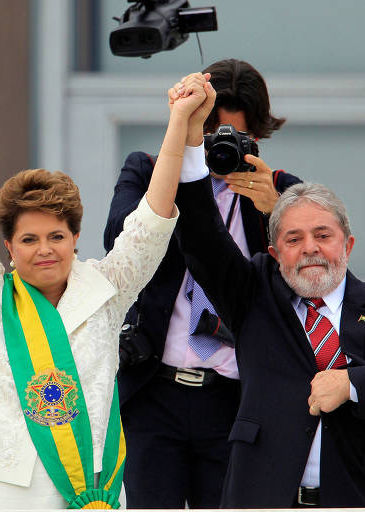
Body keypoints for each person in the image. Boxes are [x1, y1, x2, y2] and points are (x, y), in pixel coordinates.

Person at [0, 74, 214, 508]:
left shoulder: (108, 290)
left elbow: (152, 221)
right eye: (29, 240)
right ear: (9, 247)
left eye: (56, 236)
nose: (44, 250)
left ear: (75, 237)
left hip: (87, 485)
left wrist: (179, 122)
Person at [173, 91, 365, 507]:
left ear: (347, 244)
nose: (310, 248)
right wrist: (190, 141)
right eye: (294, 239)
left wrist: (353, 383)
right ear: (276, 254)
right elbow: (201, 237)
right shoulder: (252, 295)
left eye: (323, 235)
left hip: (360, 500)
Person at [104, 58, 300, 509]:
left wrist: (277, 210)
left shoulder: (279, 190)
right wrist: (175, 172)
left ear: (258, 137)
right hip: (154, 392)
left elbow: (310, 279)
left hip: (234, 399)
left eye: (235, 138)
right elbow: (117, 237)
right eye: (210, 138)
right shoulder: (149, 170)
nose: (219, 152)